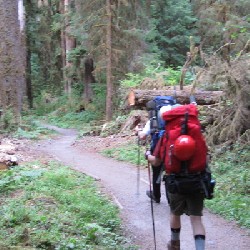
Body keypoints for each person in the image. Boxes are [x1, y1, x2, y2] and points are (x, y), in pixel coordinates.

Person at [145, 103, 206, 250]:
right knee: (196, 219)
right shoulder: (195, 132)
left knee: (174, 214)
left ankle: (175, 244)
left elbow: (157, 161)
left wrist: (147, 155)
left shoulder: (167, 135)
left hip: (175, 181)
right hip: (197, 180)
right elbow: (205, 156)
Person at [138, 105, 173, 203]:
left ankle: (156, 195)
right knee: (172, 172)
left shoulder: (153, 121)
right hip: (173, 151)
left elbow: (143, 136)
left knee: (156, 172)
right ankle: (172, 198)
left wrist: (139, 131)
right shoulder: (177, 121)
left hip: (158, 151)